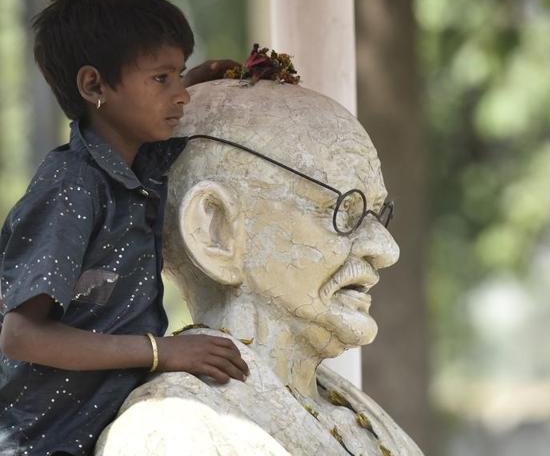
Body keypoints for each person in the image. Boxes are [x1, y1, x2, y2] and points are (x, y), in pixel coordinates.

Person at [95, 79, 423, 455]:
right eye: (345, 210)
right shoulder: (175, 432)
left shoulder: (342, 407)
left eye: (377, 214)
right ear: (216, 232)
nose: (386, 248)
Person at [0, 0, 249, 455]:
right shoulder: (72, 184)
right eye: (162, 79)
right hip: (45, 442)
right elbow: (22, 336)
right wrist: (162, 353)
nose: (181, 96)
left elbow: (153, 108)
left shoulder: (137, 166)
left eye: (179, 76)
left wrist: (198, 78)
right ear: (94, 85)